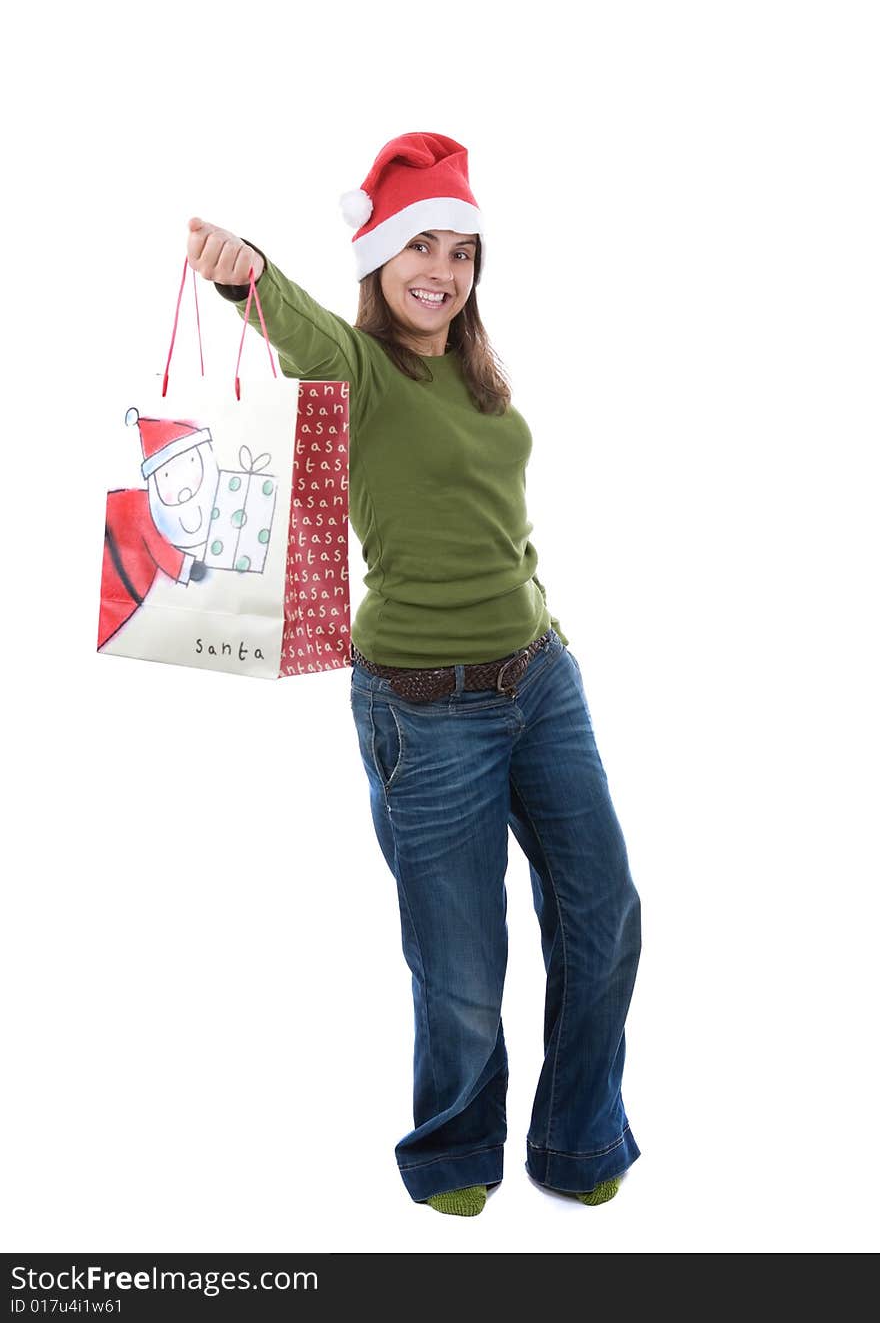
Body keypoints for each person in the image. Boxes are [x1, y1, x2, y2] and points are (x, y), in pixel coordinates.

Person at [187, 131, 641, 1218]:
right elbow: (297, 332)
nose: (442, 270)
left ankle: (577, 1143)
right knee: (461, 969)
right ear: (380, 260)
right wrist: (241, 268)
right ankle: (452, 1152)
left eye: (462, 250)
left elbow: (498, 524)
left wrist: (546, 628)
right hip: (425, 706)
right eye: (419, 248)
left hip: (539, 678)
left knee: (604, 912)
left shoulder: (477, 373)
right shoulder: (359, 367)